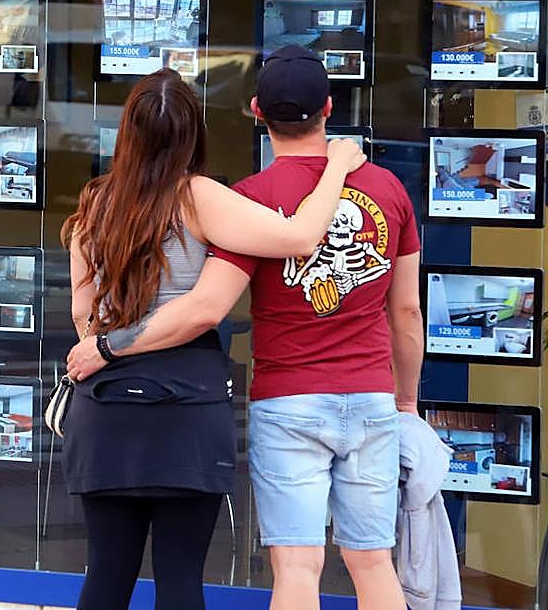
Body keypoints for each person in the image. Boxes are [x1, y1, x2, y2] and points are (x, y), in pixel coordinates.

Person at [68, 46, 424, 610]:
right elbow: (401, 309)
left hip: (256, 397)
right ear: (330, 108)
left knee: (287, 569)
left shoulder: (107, 204)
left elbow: (89, 313)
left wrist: (106, 346)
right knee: (371, 563)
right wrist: (406, 399)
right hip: (341, 394)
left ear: (257, 110)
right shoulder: (219, 198)